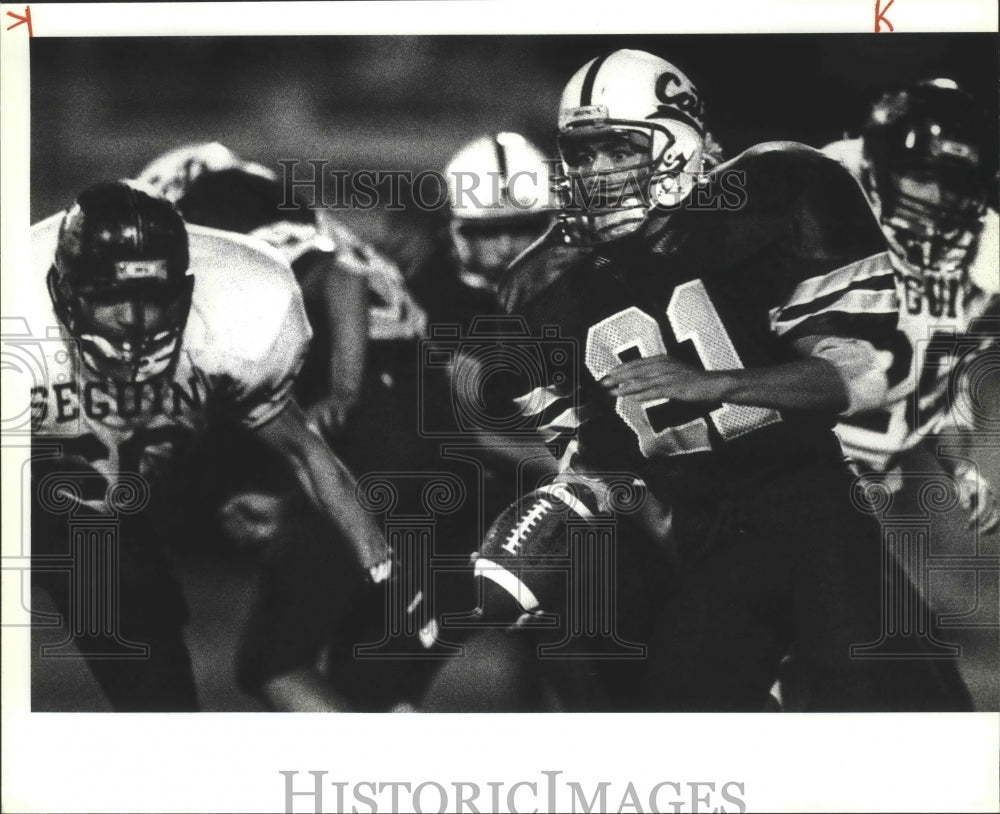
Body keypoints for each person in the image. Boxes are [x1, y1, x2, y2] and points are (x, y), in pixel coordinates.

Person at [419, 49, 973, 712]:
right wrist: (570, 505)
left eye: (617, 149)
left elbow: (863, 372)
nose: (595, 172)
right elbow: (600, 458)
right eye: (583, 153)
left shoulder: (772, 194)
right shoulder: (545, 287)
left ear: (674, 143)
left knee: (906, 729)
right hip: (708, 537)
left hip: (814, 515)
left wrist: (718, 384)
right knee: (679, 725)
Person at [29, 180, 389, 711]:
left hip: (109, 516)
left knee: (164, 712)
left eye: (152, 297)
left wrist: (380, 565)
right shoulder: (20, 321)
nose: (133, 321)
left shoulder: (242, 307)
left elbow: (304, 451)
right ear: (64, 291)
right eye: (110, 298)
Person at [822, 80, 999, 533]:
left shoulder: (982, 250)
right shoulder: (824, 207)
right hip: (802, 459)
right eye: (921, 175)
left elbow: (945, 372)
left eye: (955, 182)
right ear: (876, 166)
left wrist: (958, 464)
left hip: (886, 466)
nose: (936, 200)